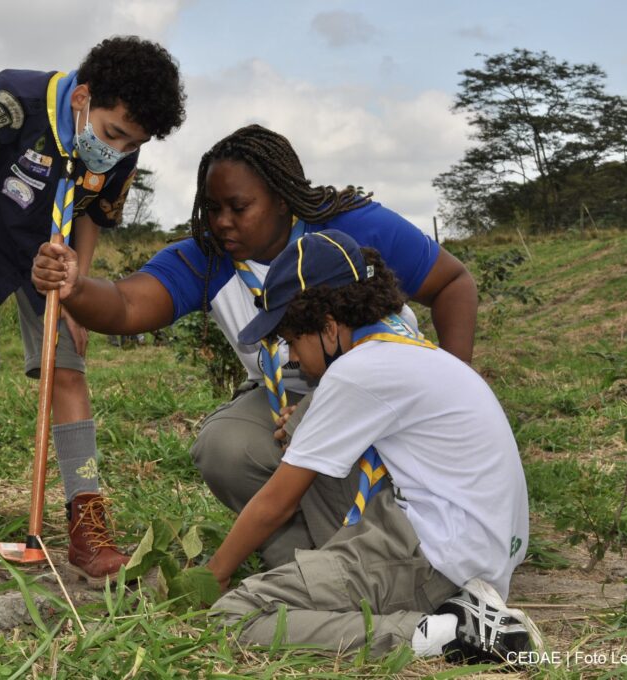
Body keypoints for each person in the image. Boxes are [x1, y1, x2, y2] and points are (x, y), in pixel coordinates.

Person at [32, 124, 478, 568]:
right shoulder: (208, 260)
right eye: (212, 208)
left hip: (384, 390)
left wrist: (456, 388)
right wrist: (77, 287)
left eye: (239, 207)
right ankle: (309, 553)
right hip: (281, 393)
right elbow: (127, 305)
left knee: (321, 429)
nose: (222, 221)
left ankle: (400, 544)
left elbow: (454, 283)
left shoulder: (352, 227)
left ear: (282, 199)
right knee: (226, 446)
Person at [0, 36, 186, 589]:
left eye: (133, 143)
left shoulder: (120, 147)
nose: (117, 149)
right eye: (113, 133)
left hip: (51, 251)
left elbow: (89, 214)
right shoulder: (13, 99)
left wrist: (78, 290)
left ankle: (87, 523)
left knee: (67, 370)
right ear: (83, 97)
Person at [207, 229, 539, 664]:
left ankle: (449, 632)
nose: (289, 358)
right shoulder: (401, 343)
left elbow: (277, 504)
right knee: (307, 424)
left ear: (328, 327)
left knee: (234, 616)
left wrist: (212, 575)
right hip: (472, 543)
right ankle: (356, 589)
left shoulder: (359, 371)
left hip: (437, 559)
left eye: (291, 340)